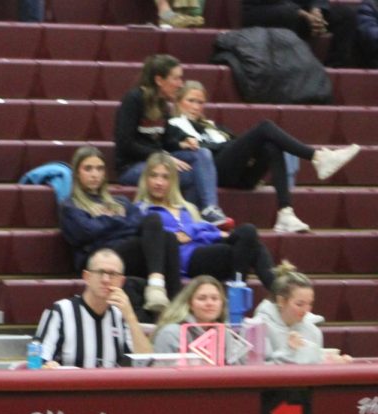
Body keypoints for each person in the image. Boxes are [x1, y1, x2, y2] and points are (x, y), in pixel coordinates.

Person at [167, 81, 360, 233]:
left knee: (271, 146)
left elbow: (234, 144)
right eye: (191, 100)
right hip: (211, 172)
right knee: (265, 127)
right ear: (178, 102)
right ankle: (317, 157)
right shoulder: (174, 125)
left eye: (200, 102)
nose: (196, 106)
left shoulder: (214, 126)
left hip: (237, 174)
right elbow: (169, 146)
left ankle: (285, 212)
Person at [60, 145, 183, 316]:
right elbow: (86, 232)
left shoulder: (120, 201)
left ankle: (164, 294)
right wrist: (119, 221)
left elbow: (138, 222)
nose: (94, 174)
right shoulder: (70, 206)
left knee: (164, 233)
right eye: (88, 168)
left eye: (99, 169)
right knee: (160, 232)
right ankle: (172, 304)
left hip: (126, 254)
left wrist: (105, 222)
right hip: (97, 259)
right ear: (77, 173)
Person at [114, 54, 230, 226]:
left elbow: (165, 138)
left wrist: (182, 142)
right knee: (193, 176)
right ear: (159, 80)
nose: (180, 84)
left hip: (158, 159)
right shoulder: (134, 99)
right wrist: (163, 157)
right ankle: (190, 221)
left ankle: (209, 209)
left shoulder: (162, 104)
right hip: (131, 166)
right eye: (176, 78)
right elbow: (126, 144)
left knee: (202, 153)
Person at [136, 152, 277, 292]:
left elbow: (202, 230)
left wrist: (196, 231)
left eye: (165, 177)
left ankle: (272, 290)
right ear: (145, 179)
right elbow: (170, 237)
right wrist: (203, 232)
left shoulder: (186, 208)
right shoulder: (142, 210)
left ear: (173, 181)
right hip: (187, 261)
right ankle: (270, 291)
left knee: (248, 232)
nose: (159, 182)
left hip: (207, 249)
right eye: (153, 175)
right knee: (249, 245)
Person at [33, 248, 152, 368]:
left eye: (112, 274)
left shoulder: (121, 316)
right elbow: (34, 362)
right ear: (86, 277)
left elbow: (147, 362)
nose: (106, 280)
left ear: (121, 282)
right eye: (100, 272)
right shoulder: (60, 311)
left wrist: (131, 316)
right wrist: (46, 366)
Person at [251, 261, 351, 363]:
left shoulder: (313, 331)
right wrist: (289, 352)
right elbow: (256, 372)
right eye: (299, 304)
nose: (306, 310)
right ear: (281, 301)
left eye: (310, 304)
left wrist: (330, 362)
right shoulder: (256, 329)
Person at [150, 275, 249, 362]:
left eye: (215, 298)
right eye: (202, 298)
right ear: (190, 304)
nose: (209, 303)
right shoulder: (171, 332)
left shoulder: (223, 332)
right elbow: (168, 375)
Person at [242, 0, 361, 67]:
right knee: (287, 14)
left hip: (300, 12)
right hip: (261, 11)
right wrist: (301, 13)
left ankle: (334, 68)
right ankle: (293, 68)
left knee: (346, 15)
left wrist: (317, 10)